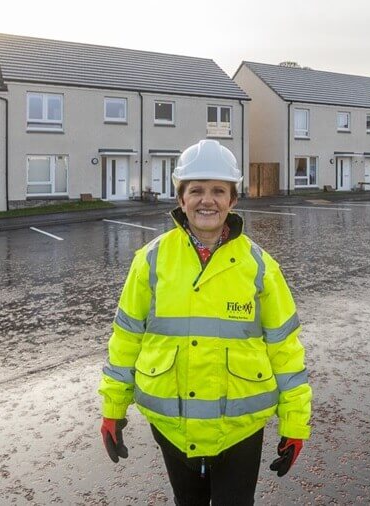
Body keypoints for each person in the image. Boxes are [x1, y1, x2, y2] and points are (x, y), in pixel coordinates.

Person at [98, 139, 312, 505]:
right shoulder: (150, 262)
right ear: (181, 198)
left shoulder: (260, 268)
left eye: (218, 190)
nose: (206, 200)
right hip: (172, 424)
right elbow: (126, 338)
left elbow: (285, 349)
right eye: (195, 190)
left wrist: (295, 422)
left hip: (240, 429)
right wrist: (113, 409)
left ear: (233, 200)